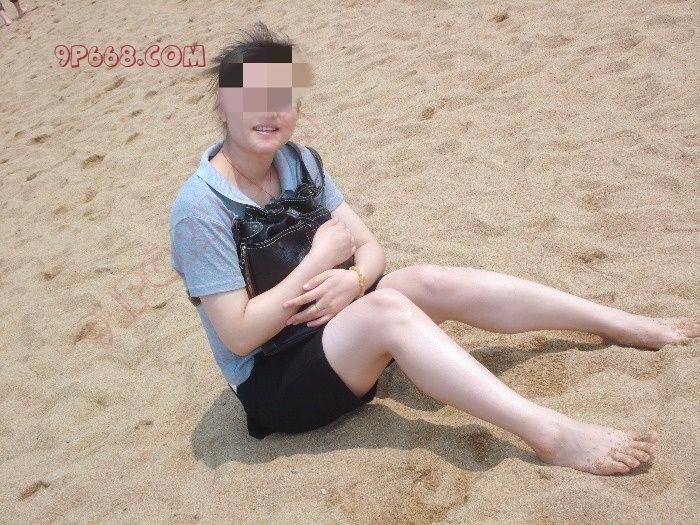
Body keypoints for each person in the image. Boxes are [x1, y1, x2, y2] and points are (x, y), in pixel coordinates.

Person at [169, 21, 698, 475]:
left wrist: (353, 280)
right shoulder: (200, 210)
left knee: (425, 280)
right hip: (277, 380)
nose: (269, 113)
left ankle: (616, 323)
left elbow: (369, 248)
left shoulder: (298, 161)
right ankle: (551, 434)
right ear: (224, 105)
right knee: (387, 309)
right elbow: (239, 335)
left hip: (337, 327)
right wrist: (319, 261)